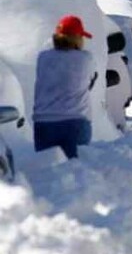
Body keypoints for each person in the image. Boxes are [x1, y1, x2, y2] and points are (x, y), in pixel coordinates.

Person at [33, 15, 98, 158]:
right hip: (75, 122)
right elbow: (90, 81)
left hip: (43, 124)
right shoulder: (85, 58)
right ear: (77, 38)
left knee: (49, 171)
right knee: (77, 171)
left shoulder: (43, 58)